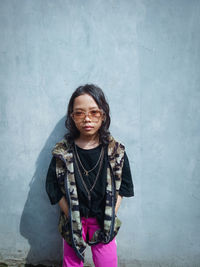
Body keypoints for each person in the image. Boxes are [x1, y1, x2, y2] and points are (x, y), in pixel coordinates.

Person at [46, 84, 134, 267]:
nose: (87, 119)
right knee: (71, 262)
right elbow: (52, 187)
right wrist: (70, 214)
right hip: (72, 220)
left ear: (103, 115)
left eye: (94, 112)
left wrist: (110, 214)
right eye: (79, 113)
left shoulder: (116, 151)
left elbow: (124, 187)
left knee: (107, 262)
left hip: (103, 221)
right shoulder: (63, 152)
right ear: (72, 116)